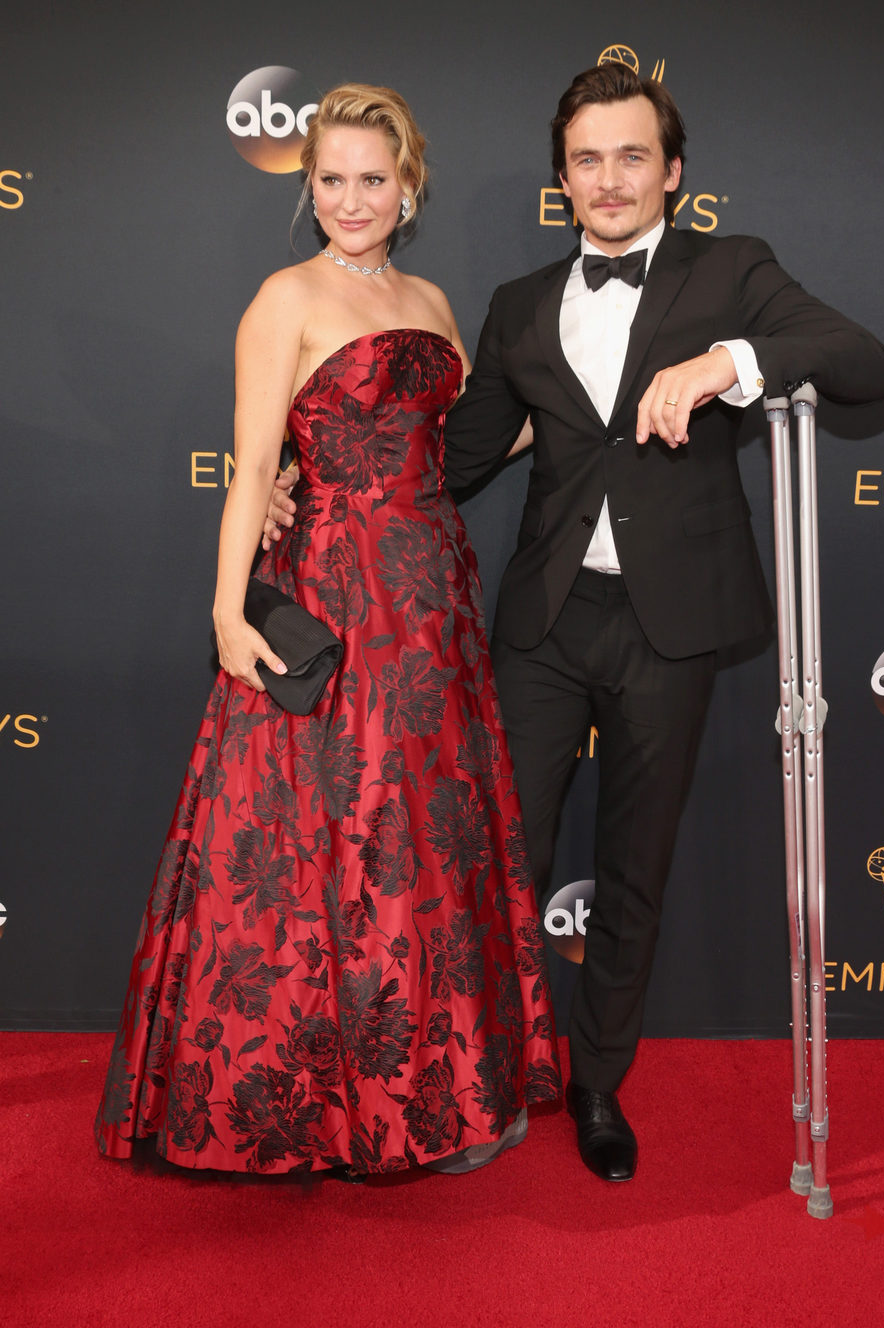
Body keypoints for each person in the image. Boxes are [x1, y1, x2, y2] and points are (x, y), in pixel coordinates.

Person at [266, 64, 884, 1185]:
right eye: (588, 160)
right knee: (493, 858)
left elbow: (863, 365)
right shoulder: (514, 306)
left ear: (674, 171)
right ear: (564, 179)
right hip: (540, 627)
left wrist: (725, 362)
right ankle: (491, 1069)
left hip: (676, 624)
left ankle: (599, 1079)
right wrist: (291, 478)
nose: (609, 180)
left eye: (632, 156)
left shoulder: (733, 269)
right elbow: (436, 459)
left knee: (634, 867)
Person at [95, 82, 560, 1178]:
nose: (353, 199)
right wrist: (224, 607)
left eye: (374, 179)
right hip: (335, 595)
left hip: (434, 594)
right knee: (328, 835)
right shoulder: (284, 298)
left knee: (424, 834)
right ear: (308, 189)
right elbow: (256, 464)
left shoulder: (438, 301)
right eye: (332, 179)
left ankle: (431, 1093)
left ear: (409, 187)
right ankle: (311, 1103)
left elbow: (462, 446)